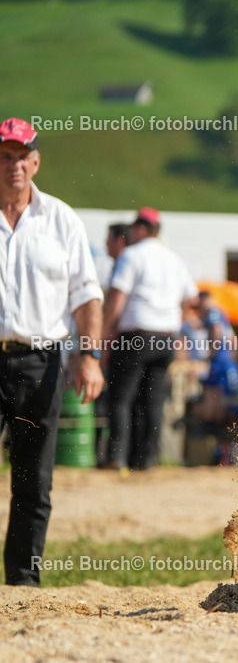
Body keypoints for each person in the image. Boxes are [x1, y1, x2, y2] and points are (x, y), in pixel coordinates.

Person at [0, 118, 104, 586]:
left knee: (34, 480)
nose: (13, 166)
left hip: (42, 362)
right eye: (4, 156)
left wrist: (88, 355)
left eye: (21, 156)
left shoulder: (61, 219)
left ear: (35, 161)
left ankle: (23, 582)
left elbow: (87, 295)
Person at [101, 207, 198, 471]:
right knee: (152, 400)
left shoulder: (132, 255)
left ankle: (116, 457)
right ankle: (146, 459)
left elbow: (118, 298)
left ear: (142, 229)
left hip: (136, 335)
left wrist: (106, 334)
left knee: (121, 398)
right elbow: (191, 297)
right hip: (165, 337)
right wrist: (176, 317)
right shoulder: (174, 259)